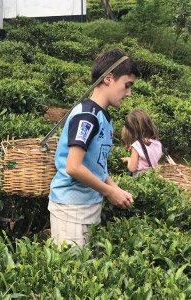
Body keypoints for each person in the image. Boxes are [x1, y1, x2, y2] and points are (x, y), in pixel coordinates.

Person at [48, 48, 139, 248]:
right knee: (72, 271)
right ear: (108, 79)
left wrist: (115, 189)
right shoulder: (86, 117)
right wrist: (109, 192)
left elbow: (96, 166)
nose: (129, 93)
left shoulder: (103, 117)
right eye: (127, 85)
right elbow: (73, 167)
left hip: (88, 204)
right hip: (71, 209)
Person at [120, 108, 163, 177]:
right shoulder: (156, 142)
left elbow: (132, 168)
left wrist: (129, 160)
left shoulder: (136, 145)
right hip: (152, 176)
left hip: (140, 179)